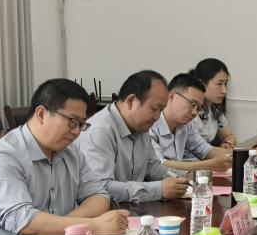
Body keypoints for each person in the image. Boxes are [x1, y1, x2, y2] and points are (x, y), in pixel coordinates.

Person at [0, 78, 129, 235]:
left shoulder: (71, 153)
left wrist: (62, 225)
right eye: (72, 121)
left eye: (82, 124)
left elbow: (99, 196)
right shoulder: (3, 157)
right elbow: (23, 222)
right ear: (42, 114)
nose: (77, 132)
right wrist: (92, 226)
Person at [79, 69, 190, 203]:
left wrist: (183, 179)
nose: (157, 117)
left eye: (161, 110)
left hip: (133, 209)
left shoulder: (141, 126)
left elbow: (152, 167)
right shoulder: (99, 131)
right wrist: (159, 190)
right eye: (154, 108)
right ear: (131, 101)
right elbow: (101, 188)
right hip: (106, 212)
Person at [152, 73, 233, 173]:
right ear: (171, 96)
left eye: (199, 108)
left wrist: (242, 155)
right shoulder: (151, 123)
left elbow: (204, 149)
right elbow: (158, 164)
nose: (194, 113)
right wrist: (209, 165)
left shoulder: (186, 124)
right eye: (192, 104)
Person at [192, 58, 237, 148]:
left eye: (226, 84)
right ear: (201, 84)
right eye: (219, 84)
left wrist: (227, 144)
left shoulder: (214, 109)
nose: (224, 91)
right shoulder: (191, 110)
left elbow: (230, 135)